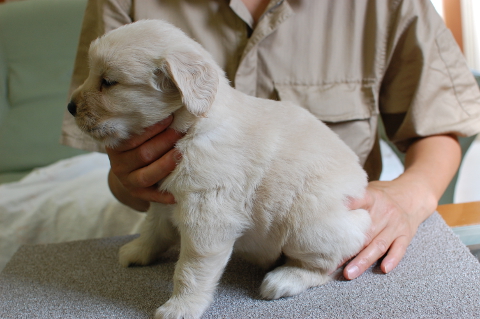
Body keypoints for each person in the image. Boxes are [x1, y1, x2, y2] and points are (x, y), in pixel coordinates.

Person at [61, 0, 480, 280]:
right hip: (180, 224)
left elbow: (439, 126)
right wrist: (128, 177)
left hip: (328, 220)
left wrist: (409, 196)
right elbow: (109, 146)